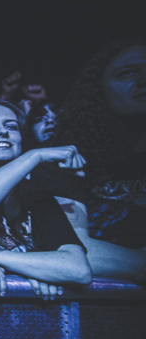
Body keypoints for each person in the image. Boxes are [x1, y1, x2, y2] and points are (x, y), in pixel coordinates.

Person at [0, 100, 92, 300]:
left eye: (11, 127)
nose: (2, 132)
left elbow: (78, 269)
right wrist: (35, 155)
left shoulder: (33, 192)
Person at [51, 39, 146, 279]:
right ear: (99, 90)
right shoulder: (69, 158)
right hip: (104, 307)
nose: (143, 80)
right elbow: (74, 250)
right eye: (128, 73)